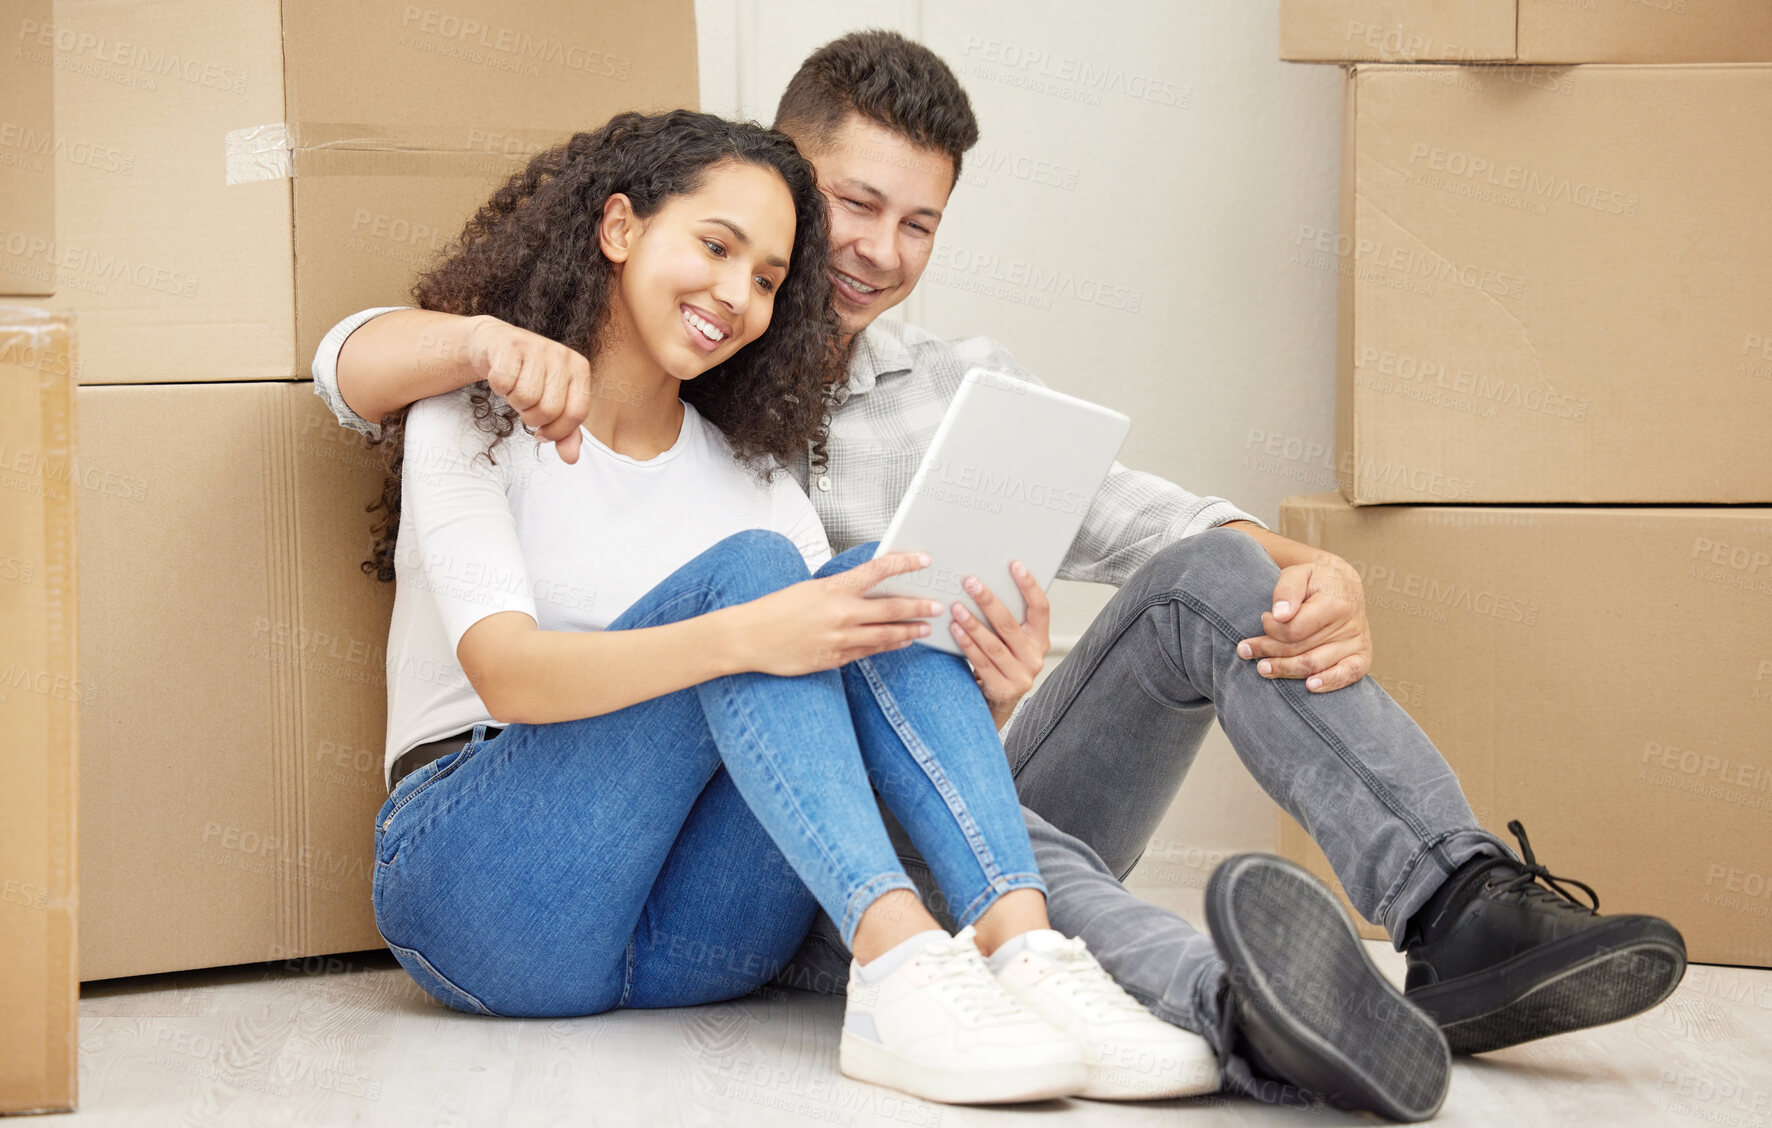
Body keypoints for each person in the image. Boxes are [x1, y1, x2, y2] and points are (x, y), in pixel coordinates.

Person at [319, 33, 1687, 1123]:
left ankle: (1395, 934)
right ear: (665, 213)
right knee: (818, 604)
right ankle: (1085, 979)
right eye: (837, 208)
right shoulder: (520, 394)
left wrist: (1282, 576)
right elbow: (356, 369)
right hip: (606, 859)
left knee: (998, 590)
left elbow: (1132, 536)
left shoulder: (826, 438)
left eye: (910, 225)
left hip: (821, 843)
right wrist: (490, 347)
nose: (857, 254)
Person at [365, 107, 1221, 1107]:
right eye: (715, 247)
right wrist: (741, 635)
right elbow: (505, 671)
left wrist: (991, 692)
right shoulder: (472, 410)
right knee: (763, 577)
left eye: (768, 279)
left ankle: (1022, 948)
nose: (735, 295)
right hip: (490, 896)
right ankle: (898, 959)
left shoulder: (752, 472)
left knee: (877, 589)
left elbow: (839, 721)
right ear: (619, 228)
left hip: (703, 941)